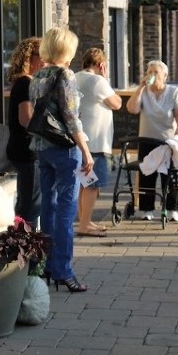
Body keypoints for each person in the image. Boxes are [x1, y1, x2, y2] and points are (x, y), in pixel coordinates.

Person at [29, 27, 94, 293]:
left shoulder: (37, 75)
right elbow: (70, 117)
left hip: (42, 147)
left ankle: (46, 267)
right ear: (66, 49)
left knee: (48, 208)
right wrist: (86, 150)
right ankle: (64, 271)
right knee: (66, 213)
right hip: (65, 149)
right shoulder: (65, 74)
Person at [126, 60, 178, 221]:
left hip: (168, 141)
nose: (151, 75)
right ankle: (147, 209)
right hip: (147, 139)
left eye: (155, 72)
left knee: (171, 175)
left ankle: (172, 208)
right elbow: (132, 109)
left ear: (165, 76)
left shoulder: (173, 92)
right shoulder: (144, 92)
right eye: (149, 72)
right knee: (147, 173)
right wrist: (140, 87)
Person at [75, 48, 122, 237]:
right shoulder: (98, 81)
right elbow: (117, 103)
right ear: (101, 64)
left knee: (83, 185)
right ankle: (84, 225)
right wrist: (105, 77)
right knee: (92, 186)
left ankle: (85, 221)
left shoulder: (75, 77)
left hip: (81, 140)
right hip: (96, 142)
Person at [6, 37, 43, 228]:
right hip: (28, 151)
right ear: (31, 57)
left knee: (29, 202)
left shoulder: (26, 82)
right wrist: (49, 131)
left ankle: (22, 246)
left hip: (24, 149)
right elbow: (25, 119)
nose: (45, 60)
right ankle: (24, 249)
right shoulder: (26, 83)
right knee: (30, 205)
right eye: (42, 55)